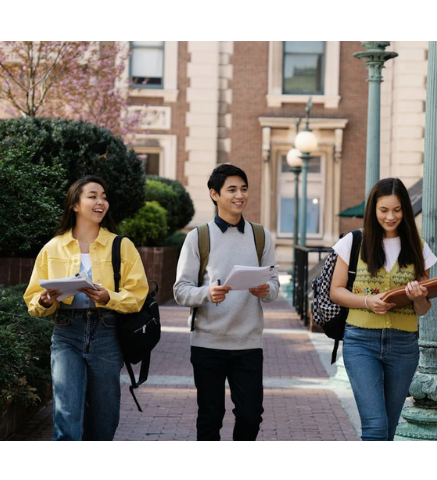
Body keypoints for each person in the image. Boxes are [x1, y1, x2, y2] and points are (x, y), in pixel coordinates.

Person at [23, 175, 148, 441]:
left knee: (104, 418)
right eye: (92, 196)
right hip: (66, 332)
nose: (100, 201)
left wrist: (108, 298)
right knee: (66, 414)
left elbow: (137, 295)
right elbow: (33, 299)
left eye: (103, 196)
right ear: (75, 205)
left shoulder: (121, 246)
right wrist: (45, 301)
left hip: (106, 332)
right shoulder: (53, 247)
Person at [173, 163, 279, 441]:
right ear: (214, 194)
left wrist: (265, 289)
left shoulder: (260, 235)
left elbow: (275, 286)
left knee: (250, 415)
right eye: (231, 189)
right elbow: (180, 290)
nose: (239, 195)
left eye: (243, 189)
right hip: (208, 343)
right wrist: (207, 293)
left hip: (248, 343)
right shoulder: (198, 237)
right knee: (210, 416)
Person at [329, 178, 437, 441]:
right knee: (375, 426)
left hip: (403, 345)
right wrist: (368, 302)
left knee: (388, 430)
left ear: (406, 211)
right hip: (360, 342)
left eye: (397, 210)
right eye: (384, 210)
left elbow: (423, 309)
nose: (390, 217)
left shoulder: (418, 248)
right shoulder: (353, 242)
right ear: (373, 210)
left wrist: (419, 297)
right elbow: (336, 291)